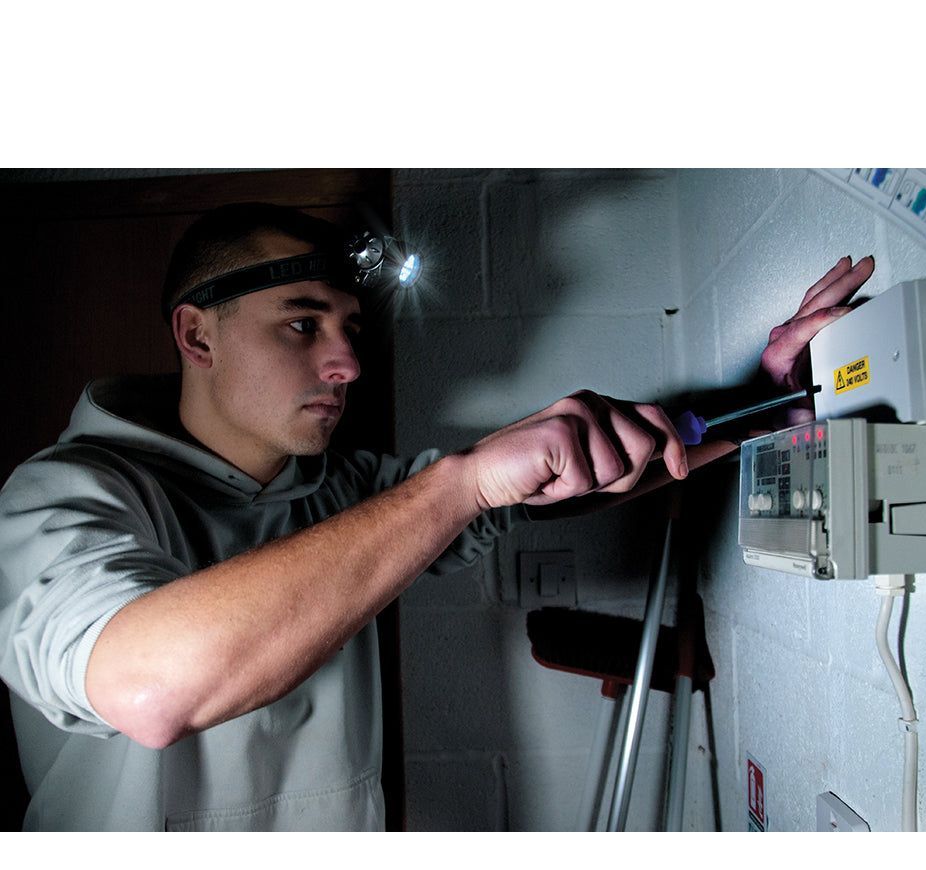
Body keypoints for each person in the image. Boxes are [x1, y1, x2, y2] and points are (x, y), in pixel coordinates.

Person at [0, 202, 875, 831]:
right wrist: (460, 485)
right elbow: (150, 688)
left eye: (351, 329)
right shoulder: (66, 495)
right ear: (198, 336)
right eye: (302, 326)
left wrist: (758, 406)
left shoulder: (337, 491)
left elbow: (554, 480)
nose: (347, 363)